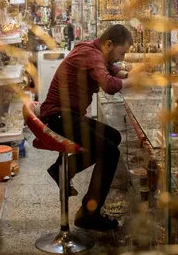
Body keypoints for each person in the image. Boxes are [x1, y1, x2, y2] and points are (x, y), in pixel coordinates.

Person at [39, 24, 134, 231]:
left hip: (67, 116)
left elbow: (110, 69)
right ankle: (89, 214)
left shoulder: (93, 50)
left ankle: (62, 169)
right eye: (121, 52)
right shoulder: (90, 54)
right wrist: (131, 82)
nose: (121, 57)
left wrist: (126, 74)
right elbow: (108, 86)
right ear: (109, 45)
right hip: (58, 117)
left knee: (113, 137)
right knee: (110, 152)